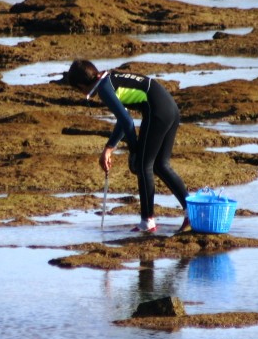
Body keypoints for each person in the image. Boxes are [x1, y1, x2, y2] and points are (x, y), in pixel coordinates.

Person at [66, 59, 189, 234]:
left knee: (143, 166)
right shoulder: (109, 78)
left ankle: (148, 221)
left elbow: (127, 121)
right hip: (170, 109)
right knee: (160, 165)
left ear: (80, 85)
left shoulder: (103, 89)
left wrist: (133, 150)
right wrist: (111, 147)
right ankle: (191, 211)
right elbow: (123, 120)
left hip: (157, 113)